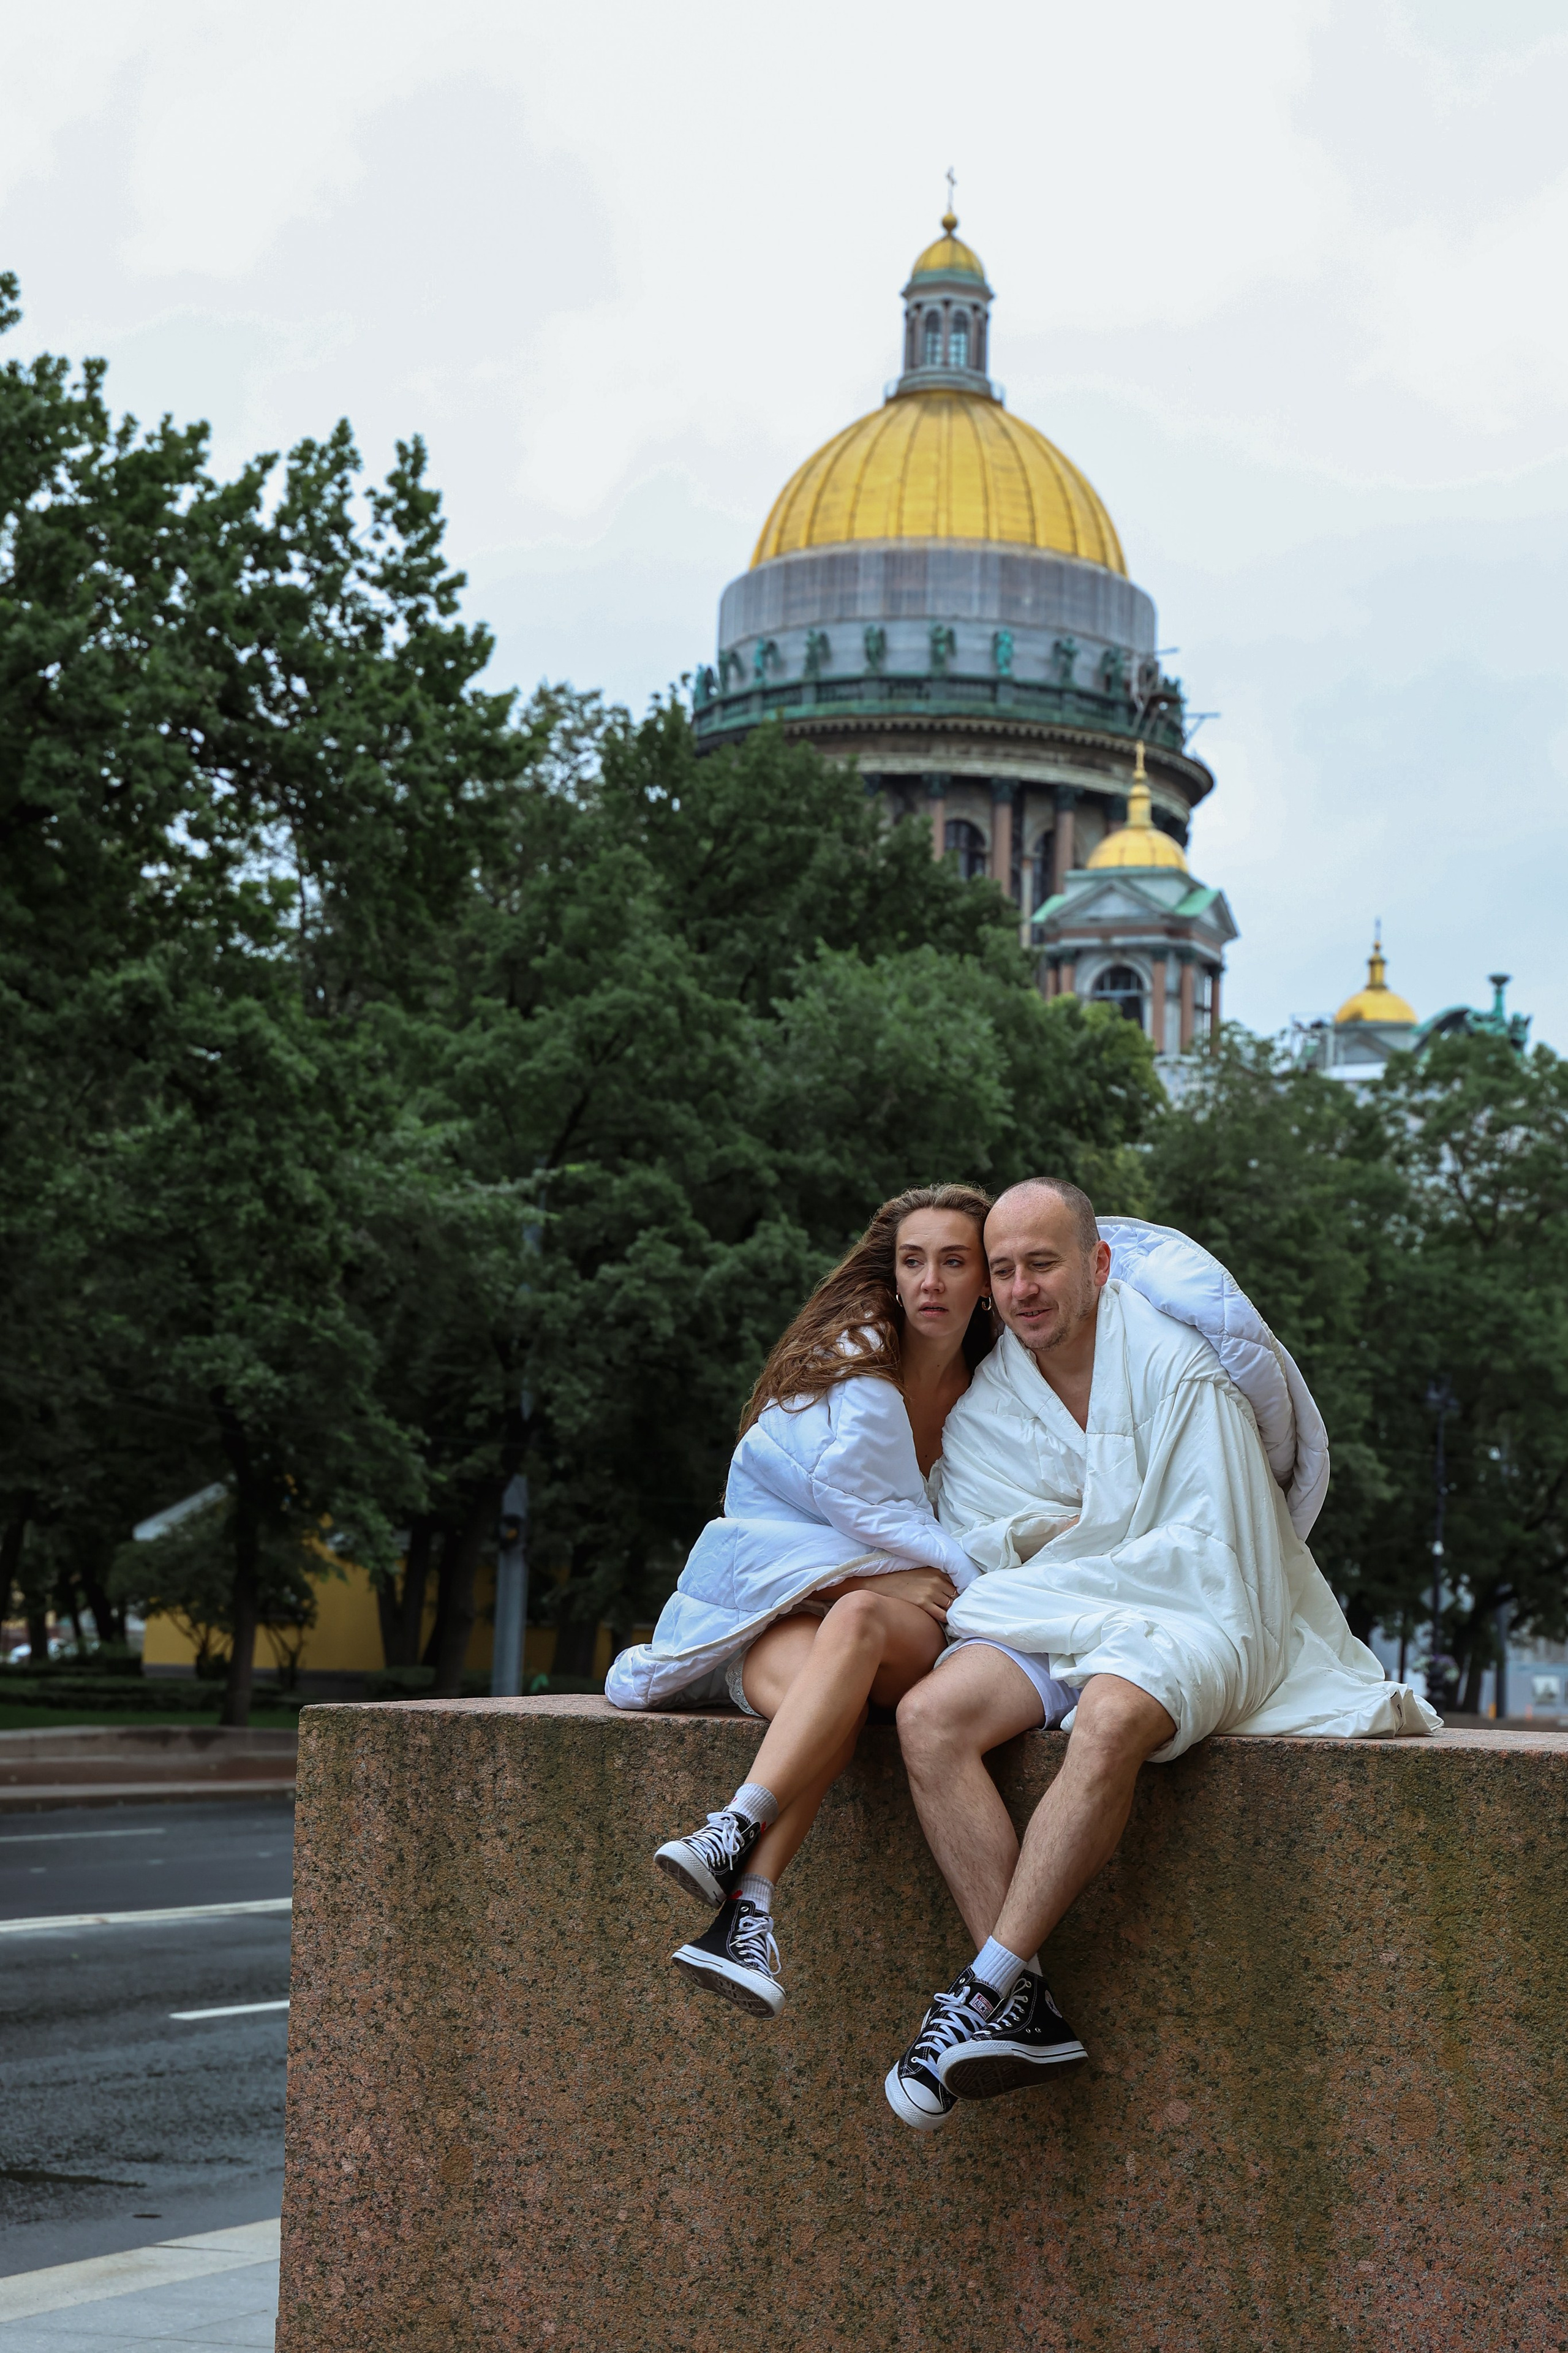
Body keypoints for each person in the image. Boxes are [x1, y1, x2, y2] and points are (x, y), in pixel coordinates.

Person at [882, 1177, 1439, 2132]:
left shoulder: (1179, 1366)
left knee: (1109, 1716)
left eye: (1043, 1264)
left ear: (1097, 1264)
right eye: (1005, 1270)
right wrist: (1072, 1542)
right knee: (929, 1716)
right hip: (1059, 1611)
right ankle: (1024, 2002)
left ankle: (981, 1993)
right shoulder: (988, 1404)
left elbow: (1217, 1545)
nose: (1022, 1290)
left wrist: (1069, 1540)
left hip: (1194, 1611)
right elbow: (978, 1538)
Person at [606, 1184, 1025, 2020]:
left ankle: (734, 1822)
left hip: (896, 1627)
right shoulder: (846, 1372)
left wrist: (877, 1586)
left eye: (954, 1261)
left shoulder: (1002, 1389)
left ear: (986, 1280)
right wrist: (863, 1572)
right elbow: (764, 1520)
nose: (931, 1281)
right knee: (822, 1694)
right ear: (893, 1274)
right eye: (914, 1261)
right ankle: (747, 1910)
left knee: (860, 1623)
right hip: (783, 1612)